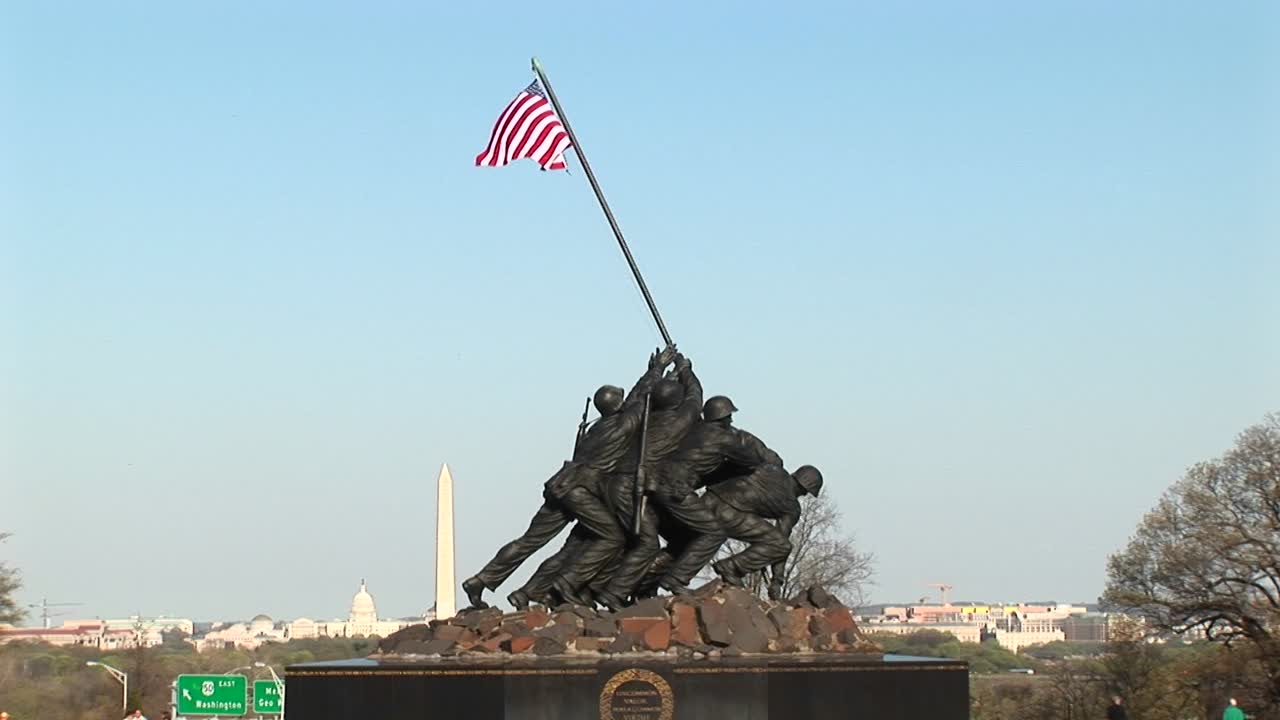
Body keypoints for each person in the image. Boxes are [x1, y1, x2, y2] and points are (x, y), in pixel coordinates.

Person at [460, 347, 675, 608]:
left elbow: (634, 400)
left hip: (561, 484)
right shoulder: (622, 426)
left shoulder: (597, 428)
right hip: (580, 491)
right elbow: (641, 400)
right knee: (613, 537)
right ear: (617, 406)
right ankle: (566, 585)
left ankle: (481, 579)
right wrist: (658, 370)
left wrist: (654, 370)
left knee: (529, 541)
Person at [706, 464, 824, 599]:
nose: (804, 495)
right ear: (803, 488)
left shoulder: (772, 469)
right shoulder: (792, 507)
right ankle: (731, 567)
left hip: (708, 499)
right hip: (729, 513)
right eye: (806, 492)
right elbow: (780, 544)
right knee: (781, 545)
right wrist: (777, 580)